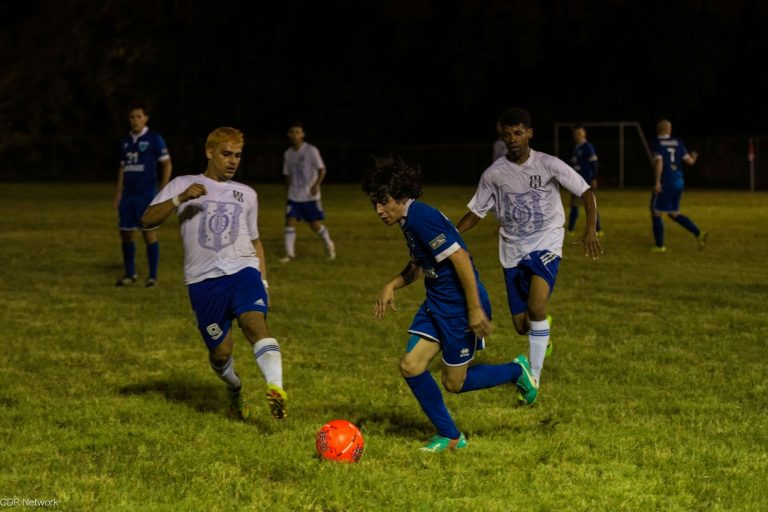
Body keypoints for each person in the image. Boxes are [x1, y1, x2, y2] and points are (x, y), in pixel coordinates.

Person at [362, 154, 538, 453]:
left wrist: (474, 309)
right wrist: (392, 284)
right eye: (374, 203)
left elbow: (461, 258)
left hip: (458, 308)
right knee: (411, 366)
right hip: (437, 303)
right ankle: (451, 436)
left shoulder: (421, 217)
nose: (379, 210)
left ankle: (516, 371)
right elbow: (419, 265)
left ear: (400, 196)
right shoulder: (408, 221)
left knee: (454, 383)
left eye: (383, 202)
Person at [141, 127, 287, 421]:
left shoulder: (247, 194)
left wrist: (263, 280)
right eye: (226, 154)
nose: (233, 161)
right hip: (203, 281)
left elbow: (255, 241)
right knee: (220, 353)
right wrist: (180, 199)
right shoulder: (183, 183)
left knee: (255, 323)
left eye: (238, 156)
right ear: (209, 152)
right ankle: (234, 387)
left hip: (243, 271)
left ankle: (276, 388)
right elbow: (146, 220)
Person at [457, 107, 602, 394]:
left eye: (518, 133)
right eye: (507, 134)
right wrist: (450, 235)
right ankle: (542, 328)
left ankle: (533, 379)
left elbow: (586, 191)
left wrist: (590, 228)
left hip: (547, 242)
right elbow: (476, 212)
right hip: (512, 250)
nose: (512, 139)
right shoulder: (494, 174)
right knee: (522, 326)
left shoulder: (548, 164)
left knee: (536, 306)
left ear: (529, 134)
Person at [114, 103, 172, 287]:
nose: (135, 120)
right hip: (128, 196)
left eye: (139, 116)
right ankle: (130, 274)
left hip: (147, 194)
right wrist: (118, 192)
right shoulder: (125, 141)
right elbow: (122, 168)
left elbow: (167, 164)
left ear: (146, 118)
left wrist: (163, 189)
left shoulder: (154, 139)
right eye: (132, 117)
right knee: (126, 233)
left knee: (149, 233)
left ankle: (152, 276)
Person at [279, 121, 336, 262]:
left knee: (314, 225)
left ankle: (329, 244)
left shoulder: (311, 150)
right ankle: (290, 255)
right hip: (293, 195)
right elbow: (287, 175)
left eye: (298, 132)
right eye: (292, 132)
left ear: (303, 134)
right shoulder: (288, 153)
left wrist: (316, 185)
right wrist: (287, 192)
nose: (295, 135)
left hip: (309, 196)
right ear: (288, 135)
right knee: (289, 222)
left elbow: (322, 170)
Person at [650, 119, 707, 252]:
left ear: (658, 130)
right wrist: (694, 156)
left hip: (666, 180)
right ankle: (699, 233)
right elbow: (690, 162)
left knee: (656, 212)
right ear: (669, 130)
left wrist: (657, 182)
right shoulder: (678, 142)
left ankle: (660, 246)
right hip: (679, 181)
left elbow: (659, 162)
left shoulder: (656, 142)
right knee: (674, 213)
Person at [568, 126, 603, 236]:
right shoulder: (576, 148)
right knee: (574, 204)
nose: (576, 136)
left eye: (579, 133)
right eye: (575, 133)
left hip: (586, 181)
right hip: (576, 182)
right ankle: (570, 229)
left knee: (590, 205)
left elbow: (594, 164)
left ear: (584, 134)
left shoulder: (588, 147)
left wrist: (594, 178)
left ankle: (598, 229)